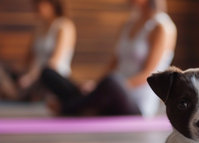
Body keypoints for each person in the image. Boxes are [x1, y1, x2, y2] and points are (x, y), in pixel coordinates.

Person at [42, 0, 176, 117]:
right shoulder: (128, 24)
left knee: (112, 81)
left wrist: (115, 86)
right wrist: (96, 86)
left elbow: (149, 74)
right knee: (48, 74)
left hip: (136, 103)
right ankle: (81, 103)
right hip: (109, 91)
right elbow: (112, 64)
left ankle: (68, 107)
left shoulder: (161, 27)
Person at [0, 0, 76, 101]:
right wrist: (24, 75)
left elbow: (54, 63)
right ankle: (14, 93)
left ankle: (15, 95)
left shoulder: (64, 26)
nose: (36, 9)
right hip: (33, 77)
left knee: (47, 73)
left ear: (51, 4)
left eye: (39, 5)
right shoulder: (40, 28)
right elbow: (29, 60)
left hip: (50, 77)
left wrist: (31, 78)